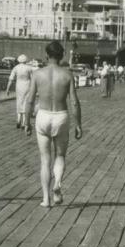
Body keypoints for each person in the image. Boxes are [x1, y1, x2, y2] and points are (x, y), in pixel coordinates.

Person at [24, 41, 82, 208]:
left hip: (42, 115)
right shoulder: (67, 75)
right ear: (62, 55)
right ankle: (57, 183)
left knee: (44, 159)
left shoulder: (37, 74)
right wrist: (78, 124)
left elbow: (29, 100)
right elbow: (75, 102)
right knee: (60, 155)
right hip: (61, 116)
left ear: (46, 55)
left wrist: (27, 122)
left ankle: (46, 199)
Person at [6, 54, 35, 129]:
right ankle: (23, 122)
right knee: (26, 102)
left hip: (19, 86)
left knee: (19, 101)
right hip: (27, 85)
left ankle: (18, 119)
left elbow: (11, 79)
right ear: (26, 60)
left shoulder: (16, 68)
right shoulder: (29, 68)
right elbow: (33, 79)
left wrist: (8, 89)